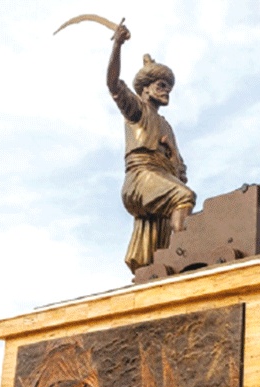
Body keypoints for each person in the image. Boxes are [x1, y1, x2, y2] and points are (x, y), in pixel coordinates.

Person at [107, 25, 196, 272]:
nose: (166, 90)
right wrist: (117, 46)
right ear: (145, 88)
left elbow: (179, 168)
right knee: (183, 196)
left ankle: (163, 267)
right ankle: (184, 254)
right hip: (140, 179)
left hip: (160, 179)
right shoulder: (137, 110)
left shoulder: (166, 126)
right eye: (161, 84)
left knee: (154, 253)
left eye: (169, 86)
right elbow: (113, 84)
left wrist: (176, 160)